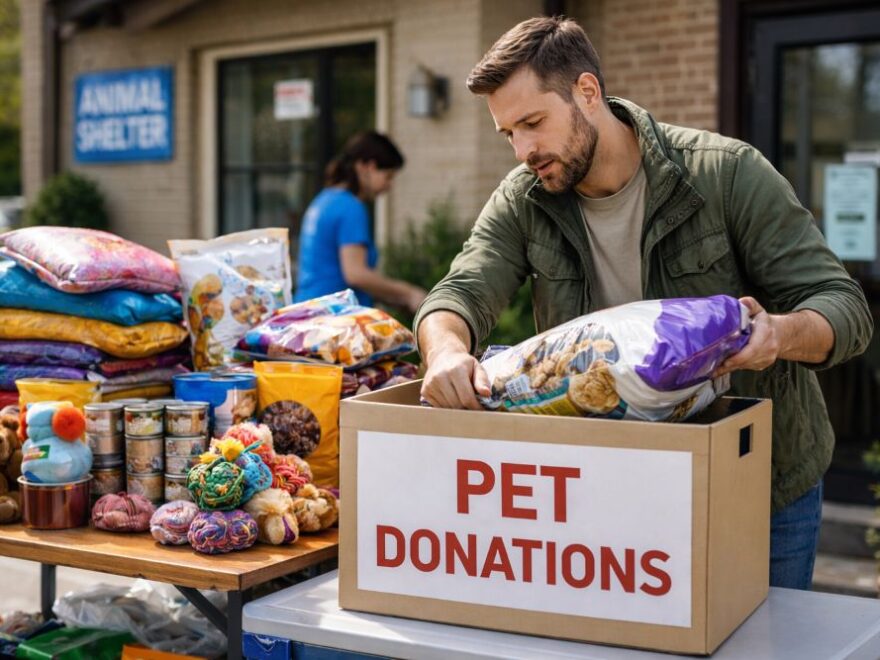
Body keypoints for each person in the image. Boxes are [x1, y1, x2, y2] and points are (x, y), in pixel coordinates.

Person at [414, 16, 873, 590]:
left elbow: (843, 307)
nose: (523, 150)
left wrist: (778, 335)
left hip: (756, 487)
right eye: (508, 133)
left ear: (587, 92)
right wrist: (445, 353)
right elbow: (460, 292)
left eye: (533, 123)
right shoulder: (525, 198)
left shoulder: (727, 174)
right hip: (608, 492)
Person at [294, 131, 427, 312]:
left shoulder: (324, 199)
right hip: (334, 320)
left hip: (307, 312)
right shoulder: (351, 207)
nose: (389, 186)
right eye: (388, 176)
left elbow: (332, 272)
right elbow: (356, 274)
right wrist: (409, 293)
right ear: (367, 167)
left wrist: (393, 299)